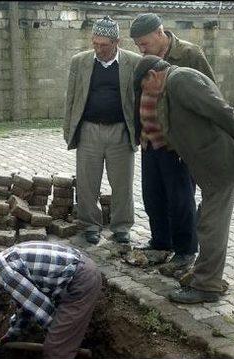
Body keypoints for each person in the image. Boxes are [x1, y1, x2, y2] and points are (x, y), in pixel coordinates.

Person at [133, 55, 234, 303]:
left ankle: (207, 287)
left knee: (211, 226)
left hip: (221, 164)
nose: (146, 94)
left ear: (153, 75)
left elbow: (218, 108)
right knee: (207, 221)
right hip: (210, 166)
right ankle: (207, 276)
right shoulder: (172, 85)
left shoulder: (181, 79)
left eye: (144, 87)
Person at [129, 13, 216, 275]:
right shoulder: (145, 59)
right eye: (137, 45)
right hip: (149, 139)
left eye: (144, 43)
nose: (141, 50)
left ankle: (185, 250)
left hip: (177, 143)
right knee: (153, 194)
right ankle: (160, 243)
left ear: (160, 33)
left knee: (180, 198)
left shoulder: (189, 55)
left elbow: (209, 93)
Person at [63, 16, 142, 245]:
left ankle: (121, 226)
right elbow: (71, 98)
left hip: (120, 131)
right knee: (87, 183)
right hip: (89, 130)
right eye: (94, 43)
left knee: (122, 183)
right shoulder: (80, 62)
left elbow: (139, 100)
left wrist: (139, 132)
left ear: (117, 41)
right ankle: (90, 225)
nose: (98, 49)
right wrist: (69, 130)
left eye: (103, 45)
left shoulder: (133, 62)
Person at [0, 242, 101, 359]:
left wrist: (61, 337)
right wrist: (14, 332)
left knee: (55, 349)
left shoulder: (7, 276)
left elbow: (43, 310)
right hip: (73, 275)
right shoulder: (0, 265)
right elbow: (26, 304)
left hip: (80, 281)